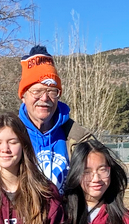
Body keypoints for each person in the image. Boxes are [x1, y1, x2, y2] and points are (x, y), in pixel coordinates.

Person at [17, 45, 89, 192]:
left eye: (51, 91)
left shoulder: (78, 138)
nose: (44, 98)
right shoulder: (10, 138)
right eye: (37, 91)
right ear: (23, 96)